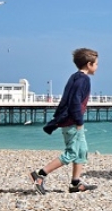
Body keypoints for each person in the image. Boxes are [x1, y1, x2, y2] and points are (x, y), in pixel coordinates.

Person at [30, 48, 99, 194]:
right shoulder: (84, 79)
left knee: (82, 151)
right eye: (96, 64)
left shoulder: (74, 77)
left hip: (70, 120)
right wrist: (79, 121)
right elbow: (75, 102)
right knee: (72, 152)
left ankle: (75, 183)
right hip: (72, 122)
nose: (97, 67)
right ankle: (40, 174)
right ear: (89, 64)